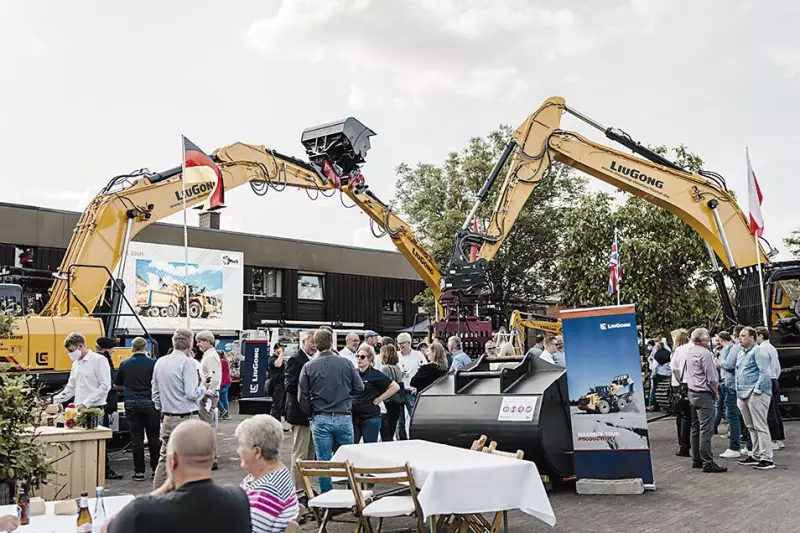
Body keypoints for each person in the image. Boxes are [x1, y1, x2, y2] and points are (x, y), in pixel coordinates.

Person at [105, 420, 251, 533]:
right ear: (213, 457)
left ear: (173, 459)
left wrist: (164, 487)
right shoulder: (238, 499)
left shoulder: (141, 511)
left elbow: (107, 528)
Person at [298, 328, 364, 493]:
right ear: (331, 343)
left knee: (323, 461)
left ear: (316, 344)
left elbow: (302, 397)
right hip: (343, 415)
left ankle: (328, 498)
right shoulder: (346, 363)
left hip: (320, 417)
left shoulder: (308, 366)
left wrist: (311, 414)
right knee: (349, 459)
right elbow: (360, 387)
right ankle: (353, 495)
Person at [151, 328, 209, 489]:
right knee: (191, 460)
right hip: (187, 418)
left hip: (168, 417)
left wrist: (163, 408)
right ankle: (186, 496)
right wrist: (203, 388)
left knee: (165, 458)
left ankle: (158, 496)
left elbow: (155, 393)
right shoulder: (188, 363)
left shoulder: (160, 362)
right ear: (190, 344)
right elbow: (191, 393)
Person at [236, 415, 299, 533]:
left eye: (241, 445)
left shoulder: (266, 492)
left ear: (257, 452)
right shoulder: (275, 472)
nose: (238, 450)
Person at [115, 337, 160, 481]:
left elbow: (117, 384)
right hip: (150, 402)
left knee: (136, 438)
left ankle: (139, 472)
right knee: (154, 437)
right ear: (145, 348)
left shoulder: (125, 364)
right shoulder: (154, 363)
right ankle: (156, 469)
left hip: (131, 403)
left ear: (132, 348)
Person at [685, 328, 726, 473]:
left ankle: (696, 459)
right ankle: (707, 461)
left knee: (695, 428)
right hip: (703, 394)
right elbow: (712, 378)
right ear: (704, 340)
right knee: (706, 429)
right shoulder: (705, 354)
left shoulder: (690, 351)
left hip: (692, 392)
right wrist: (716, 393)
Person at [736, 327, 775, 470]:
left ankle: (767, 458)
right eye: (739, 336)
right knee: (751, 426)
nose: (740, 338)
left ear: (752, 337)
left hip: (755, 393)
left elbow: (765, 372)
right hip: (743, 393)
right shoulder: (742, 352)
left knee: (760, 425)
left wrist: (757, 390)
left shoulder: (759, 351)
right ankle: (756, 454)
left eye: (743, 336)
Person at [284, 330, 316, 494]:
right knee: (300, 453)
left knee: (310, 454)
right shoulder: (295, 360)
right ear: (304, 341)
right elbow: (289, 385)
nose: (314, 346)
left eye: (316, 343)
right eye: (311, 342)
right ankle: (297, 491)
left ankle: (307, 488)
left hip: (311, 414)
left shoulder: (312, 359)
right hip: (299, 414)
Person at [351, 345, 399, 443]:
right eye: (358, 356)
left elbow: (395, 387)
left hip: (370, 416)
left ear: (370, 358)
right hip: (354, 416)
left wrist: (379, 399)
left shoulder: (375, 374)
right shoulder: (354, 373)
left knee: (369, 446)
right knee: (352, 446)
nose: (359, 359)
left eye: (362, 357)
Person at [195, 330, 221, 470]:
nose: (198, 344)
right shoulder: (210, 356)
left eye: (199, 341)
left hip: (208, 396)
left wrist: (206, 392)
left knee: (206, 427)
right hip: (209, 394)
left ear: (207, 341)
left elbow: (214, 377)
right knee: (207, 427)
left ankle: (211, 459)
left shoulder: (210, 357)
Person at [756, 327, 785, 450]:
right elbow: (777, 367)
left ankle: (772, 439)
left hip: (768, 380)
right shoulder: (772, 348)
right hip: (774, 379)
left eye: (756, 335)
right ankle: (778, 438)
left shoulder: (761, 349)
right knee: (775, 410)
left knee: (768, 411)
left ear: (761, 336)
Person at [395, 332, 427, 440]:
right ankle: (401, 441)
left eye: (402, 344)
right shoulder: (396, 356)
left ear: (409, 343)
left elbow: (425, 372)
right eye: (399, 344)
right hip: (399, 390)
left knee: (414, 417)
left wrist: (419, 387)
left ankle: (416, 439)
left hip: (411, 390)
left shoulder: (418, 355)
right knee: (399, 421)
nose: (400, 347)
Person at [670, 331, 692, 456]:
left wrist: (680, 381)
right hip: (690, 385)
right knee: (690, 417)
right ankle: (690, 444)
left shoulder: (677, 351)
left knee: (682, 417)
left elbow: (674, 369)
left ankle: (683, 445)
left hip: (678, 386)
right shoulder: (696, 350)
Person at [378, 344, 404, 442]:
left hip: (388, 401)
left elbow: (382, 385)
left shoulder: (384, 369)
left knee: (385, 429)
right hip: (397, 401)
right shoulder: (397, 368)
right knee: (392, 426)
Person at [267, 341, 287, 423]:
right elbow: (277, 364)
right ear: (276, 349)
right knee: (276, 406)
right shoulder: (272, 359)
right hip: (276, 385)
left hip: (282, 384)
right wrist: (281, 353)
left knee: (282, 405)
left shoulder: (280, 359)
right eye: (281, 349)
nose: (283, 350)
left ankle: (280, 423)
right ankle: (273, 423)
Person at [218, 351, 232, 420]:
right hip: (226, 382)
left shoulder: (222, 362)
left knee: (216, 397)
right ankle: (225, 414)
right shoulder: (225, 361)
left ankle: (223, 411)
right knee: (224, 398)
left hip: (224, 383)